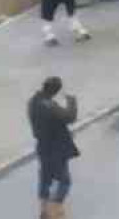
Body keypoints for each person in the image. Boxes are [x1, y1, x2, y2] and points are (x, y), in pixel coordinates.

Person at [28, 76, 79, 219]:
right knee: (64, 181)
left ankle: (44, 209)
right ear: (55, 91)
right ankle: (54, 212)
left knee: (45, 178)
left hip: (43, 146)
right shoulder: (49, 106)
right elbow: (70, 117)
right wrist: (71, 100)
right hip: (56, 148)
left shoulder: (33, 101)